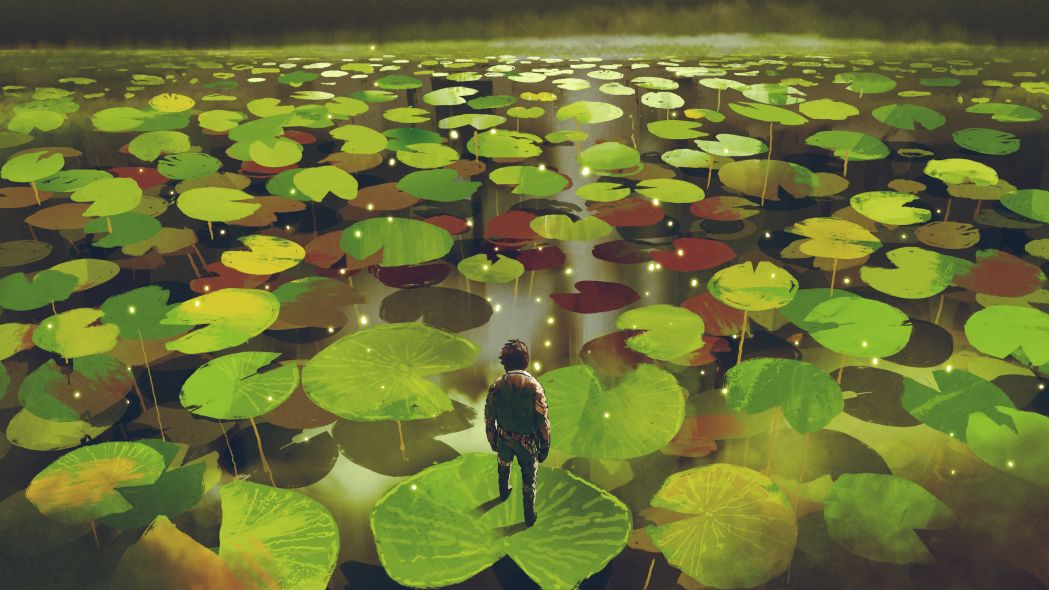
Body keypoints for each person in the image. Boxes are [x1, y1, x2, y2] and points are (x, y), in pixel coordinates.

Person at [484, 339, 551, 527]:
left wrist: (492, 438)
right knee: (529, 479)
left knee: (503, 465)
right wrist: (545, 445)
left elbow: (489, 417)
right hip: (527, 442)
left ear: (504, 362)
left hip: (504, 437)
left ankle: (503, 492)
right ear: (526, 361)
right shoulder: (534, 386)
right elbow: (543, 421)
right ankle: (529, 516)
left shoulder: (496, 385)